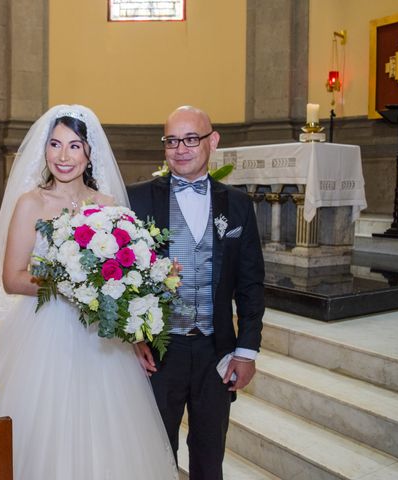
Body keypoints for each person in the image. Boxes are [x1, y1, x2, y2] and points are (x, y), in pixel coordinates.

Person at [0, 104, 178, 480]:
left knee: (108, 439)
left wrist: (132, 327)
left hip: (98, 337)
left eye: (75, 146)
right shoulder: (31, 203)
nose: (63, 156)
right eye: (56, 145)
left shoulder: (108, 207)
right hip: (42, 330)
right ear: (43, 149)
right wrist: (68, 285)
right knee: (43, 431)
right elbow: (12, 278)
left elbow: (124, 281)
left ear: (90, 152)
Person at [127, 106, 265, 480]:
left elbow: (251, 285)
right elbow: (120, 278)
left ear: (212, 141)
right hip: (158, 353)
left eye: (191, 139)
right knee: (155, 454)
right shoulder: (136, 200)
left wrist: (246, 351)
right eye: (172, 140)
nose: (180, 148)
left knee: (209, 455)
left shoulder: (237, 204)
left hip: (215, 352)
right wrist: (132, 338)